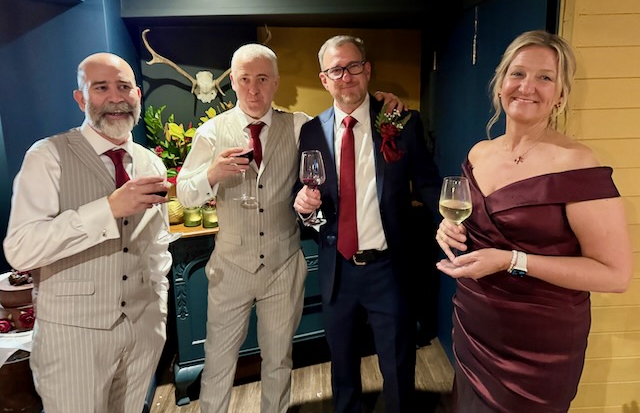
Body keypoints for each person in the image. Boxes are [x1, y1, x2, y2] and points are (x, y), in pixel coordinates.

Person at [176, 42, 405, 413]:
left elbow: (345, 113)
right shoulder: (211, 132)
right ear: (232, 82)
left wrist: (382, 102)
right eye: (245, 79)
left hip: (283, 265)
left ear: (276, 82)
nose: (254, 89)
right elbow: (184, 194)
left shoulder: (300, 125)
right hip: (231, 267)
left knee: (279, 359)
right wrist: (212, 174)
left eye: (262, 79)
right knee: (218, 361)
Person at [435, 30, 633, 412]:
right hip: (474, 327)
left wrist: (511, 260)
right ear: (500, 84)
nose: (527, 87)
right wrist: (449, 229)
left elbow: (616, 275)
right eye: (518, 73)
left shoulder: (577, 164)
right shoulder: (479, 153)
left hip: (539, 345)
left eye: (545, 77)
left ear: (560, 95)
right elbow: (475, 226)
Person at [3, 52, 173, 413]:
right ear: (81, 99)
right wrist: (107, 209)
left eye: (124, 87)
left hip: (143, 329)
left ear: (137, 96)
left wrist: (157, 307)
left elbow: (157, 244)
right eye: (101, 88)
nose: (115, 98)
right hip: (72, 338)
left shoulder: (151, 163)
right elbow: (20, 249)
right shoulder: (47, 157)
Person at [293, 35, 442, 413]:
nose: (346, 76)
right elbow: (307, 198)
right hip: (337, 269)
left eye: (354, 66)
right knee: (342, 367)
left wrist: (452, 223)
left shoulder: (401, 121)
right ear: (324, 79)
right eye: (336, 70)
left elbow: (427, 183)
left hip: (389, 268)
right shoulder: (311, 131)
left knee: (398, 364)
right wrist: (305, 208)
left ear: (367, 69)